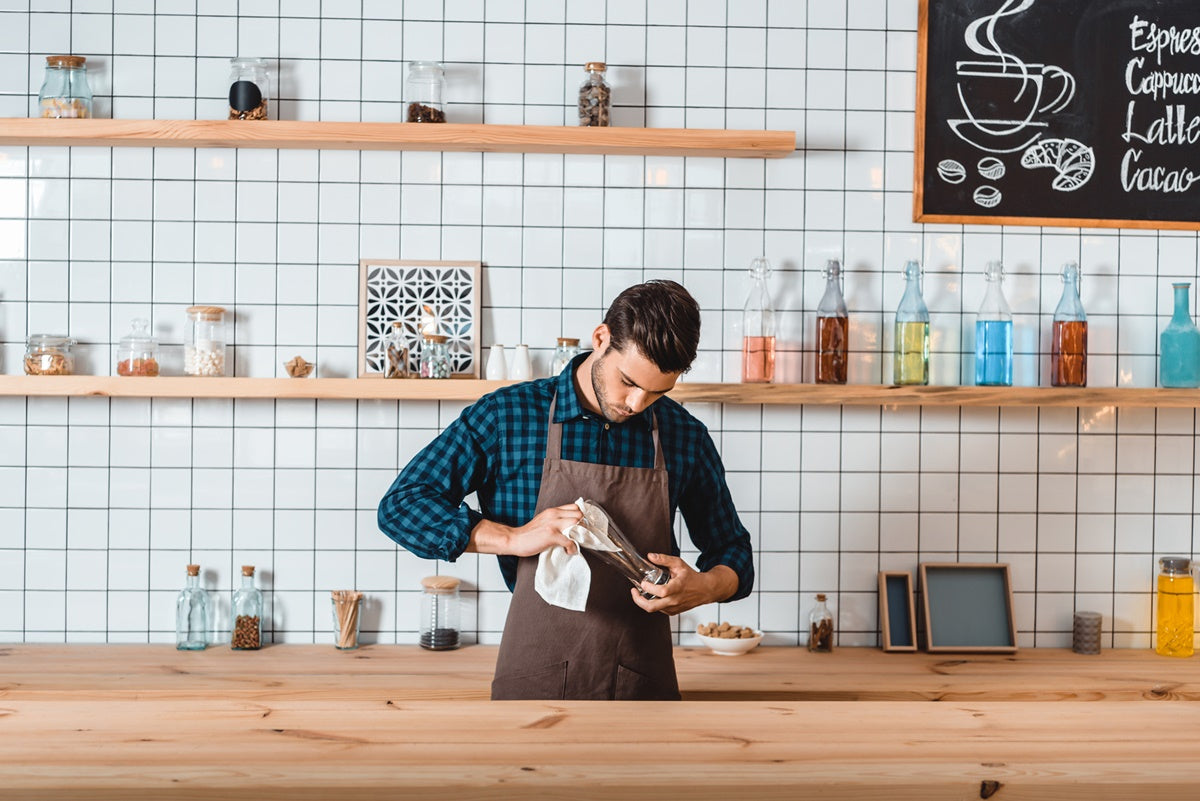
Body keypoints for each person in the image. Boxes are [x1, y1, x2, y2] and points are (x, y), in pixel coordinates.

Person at [378, 280, 754, 700]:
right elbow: (402, 505)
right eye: (628, 381)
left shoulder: (684, 435)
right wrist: (513, 537)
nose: (636, 403)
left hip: (642, 683)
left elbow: (733, 552)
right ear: (601, 339)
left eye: (657, 392)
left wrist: (705, 587)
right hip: (533, 672)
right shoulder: (507, 417)